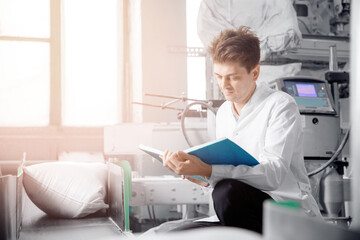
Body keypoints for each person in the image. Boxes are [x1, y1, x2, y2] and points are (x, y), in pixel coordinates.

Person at [161, 26, 321, 234]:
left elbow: (273, 176)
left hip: (284, 207)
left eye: (232, 77)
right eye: (219, 76)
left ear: (254, 73)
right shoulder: (224, 112)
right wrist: (201, 175)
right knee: (173, 234)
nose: (224, 85)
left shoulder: (281, 105)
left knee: (225, 193)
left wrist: (209, 171)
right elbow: (229, 172)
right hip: (244, 209)